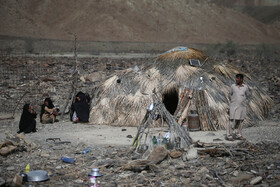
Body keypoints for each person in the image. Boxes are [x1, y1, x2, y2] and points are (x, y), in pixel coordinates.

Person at [226, 74, 250, 141]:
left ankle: (238, 135)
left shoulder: (245, 87)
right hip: (233, 106)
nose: (236, 79)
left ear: (241, 79)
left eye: (238, 78)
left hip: (242, 107)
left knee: (240, 121)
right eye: (236, 78)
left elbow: (247, 95)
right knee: (231, 120)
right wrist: (233, 101)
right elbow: (229, 94)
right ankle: (229, 136)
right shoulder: (233, 86)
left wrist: (242, 100)